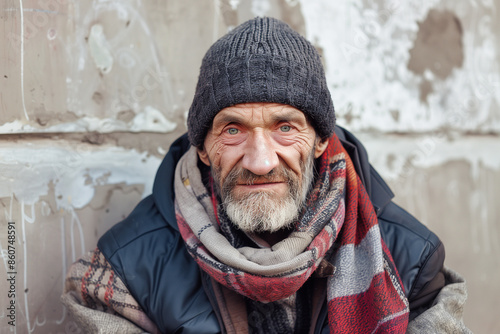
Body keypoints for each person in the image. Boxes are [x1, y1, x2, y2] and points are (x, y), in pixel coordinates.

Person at [62, 17, 470, 334]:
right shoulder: (125, 271)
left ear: (319, 141)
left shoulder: (411, 260)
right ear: (202, 147)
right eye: (234, 129)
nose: (261, 161)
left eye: (285, 128)